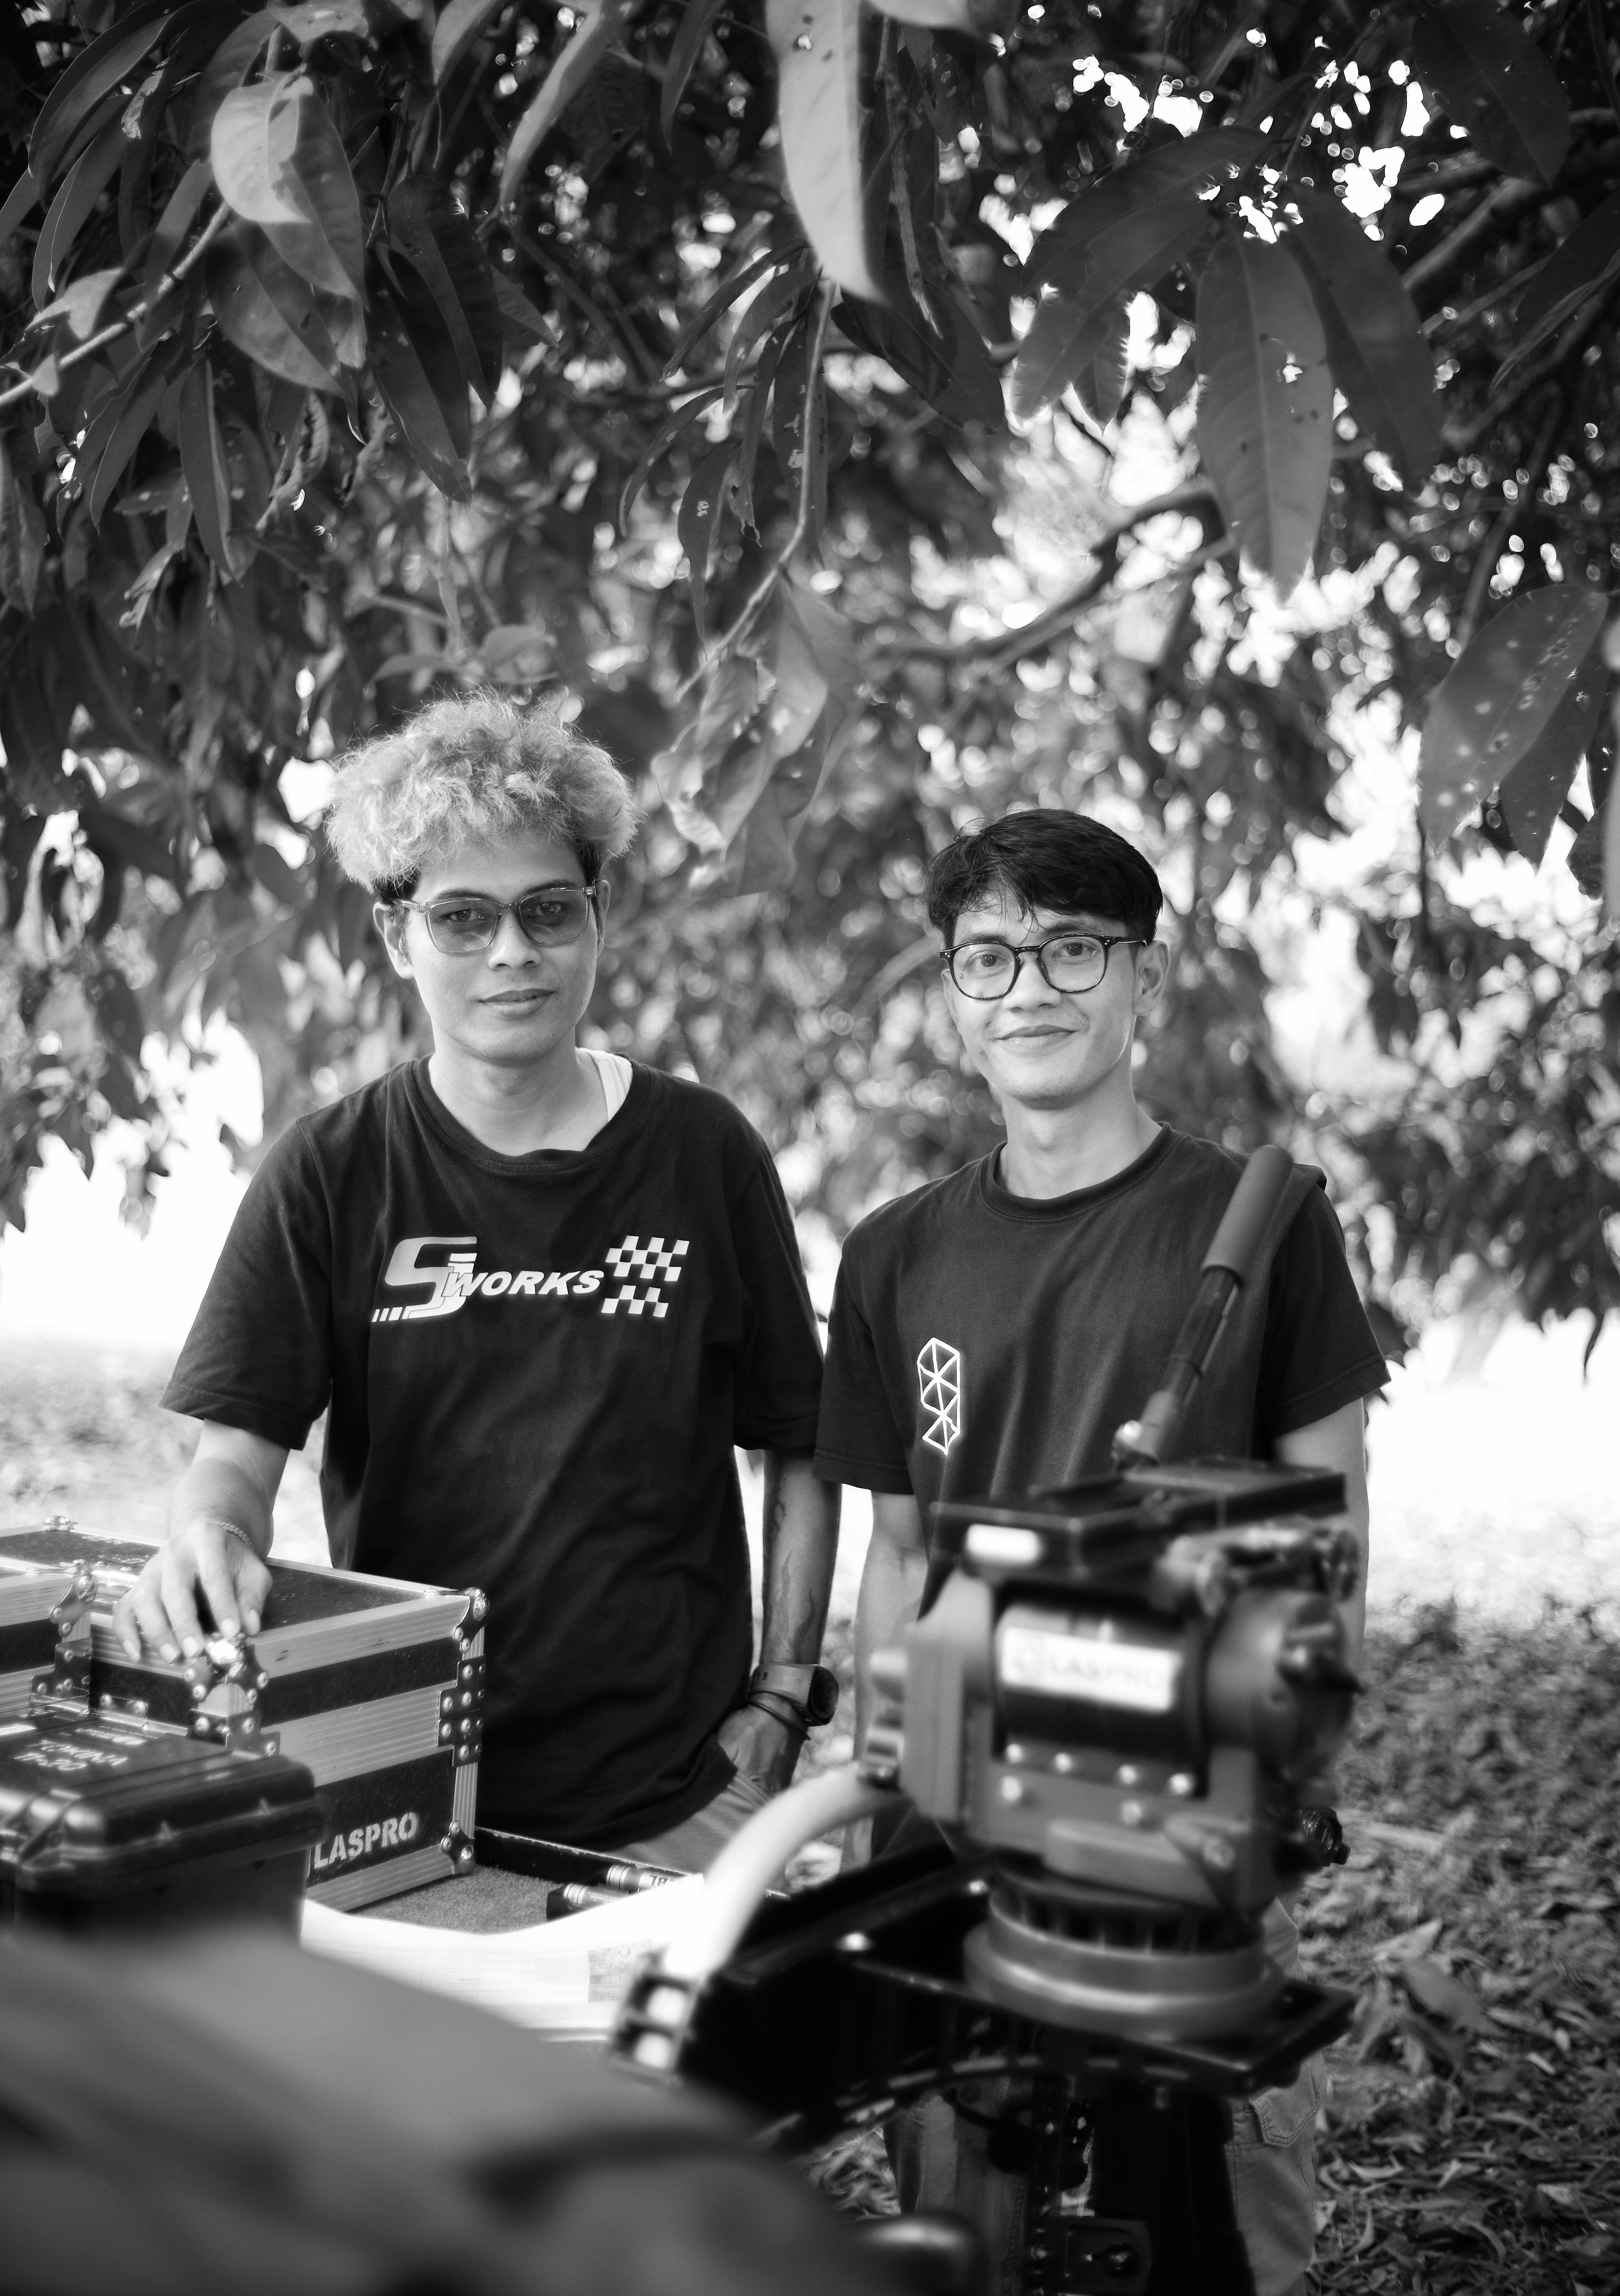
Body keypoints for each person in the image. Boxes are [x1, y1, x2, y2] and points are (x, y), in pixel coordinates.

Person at [813, 809, 1389, 2296]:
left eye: (1073, 948)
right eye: (989, 956)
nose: (1030, 989)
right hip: (954, 1828)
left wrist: (1288, 1760)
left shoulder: (1258, 1224)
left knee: (1207, 2229)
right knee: (967, 2223)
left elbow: (1328, 1518)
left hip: (1182, 1824)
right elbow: (896, 1551)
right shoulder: (892, 1253)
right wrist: (884, 1756)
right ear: (953, 993)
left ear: (1143, 975)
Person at [116, 693, 840, 1870]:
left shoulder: (703, 1154)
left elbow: (799, 1441)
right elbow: (234, 1460)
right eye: (464, 918)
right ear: (399, 937)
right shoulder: (331, 1172)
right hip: (397, 1787)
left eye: (550, 912)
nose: (514, 953)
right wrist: (206, 1538)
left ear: (597, 923)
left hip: (680, 1801)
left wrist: (784, 1699)